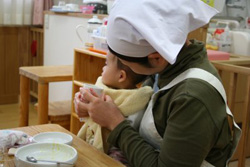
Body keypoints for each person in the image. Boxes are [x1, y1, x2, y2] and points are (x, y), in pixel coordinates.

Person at [74, 0, 241, 166]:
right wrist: (92, 110)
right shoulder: (163, 70)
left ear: (156, 58)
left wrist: (114, 122)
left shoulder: (193, 97)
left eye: (129, 64)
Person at [76, 53, 153, 154]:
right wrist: (82, 105)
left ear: (121, 76)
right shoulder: (102, 89)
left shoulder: (137, 102)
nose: (103, 68)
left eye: (106, 64)